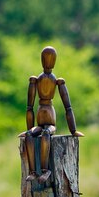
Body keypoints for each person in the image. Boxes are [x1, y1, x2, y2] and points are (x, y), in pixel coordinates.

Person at [19, 46, 83, 183]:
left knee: (47, 133)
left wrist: (73, 130)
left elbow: (68, 107)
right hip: (40, 117)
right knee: (30, 135)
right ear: (42, 60)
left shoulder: (57, 81)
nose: (48, 62)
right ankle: (32, 171)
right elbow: (29, 107)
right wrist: (28, 128)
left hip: (50, 118)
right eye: (46, 59)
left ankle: (45, 170)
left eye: (50, 59)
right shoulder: (35, 80)